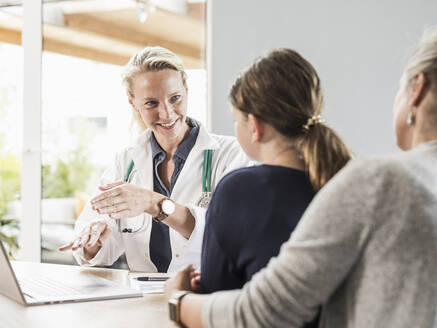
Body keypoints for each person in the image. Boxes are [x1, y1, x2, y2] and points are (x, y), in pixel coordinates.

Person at [165, 29, 437, 328]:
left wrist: (178, 300)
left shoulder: (378, 182)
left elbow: (266, 313)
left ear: (417, 90)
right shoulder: (366, 177)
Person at [59, 46, 250, 273]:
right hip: (143, 298)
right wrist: (94, 242)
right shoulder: (125, 161)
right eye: (151, 103)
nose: (167, 113)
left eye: (175, 98)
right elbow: (98, 253)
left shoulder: (231, 155)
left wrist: (153, 203)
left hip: (202, 295)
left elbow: (230, 236)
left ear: (187, 90)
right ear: (133, 103)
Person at [197, 48, 351, 300]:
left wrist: (179, 295)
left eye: (237, 119)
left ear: (255, 127)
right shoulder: (346, 181)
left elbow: (213, 300)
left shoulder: (238, 191)